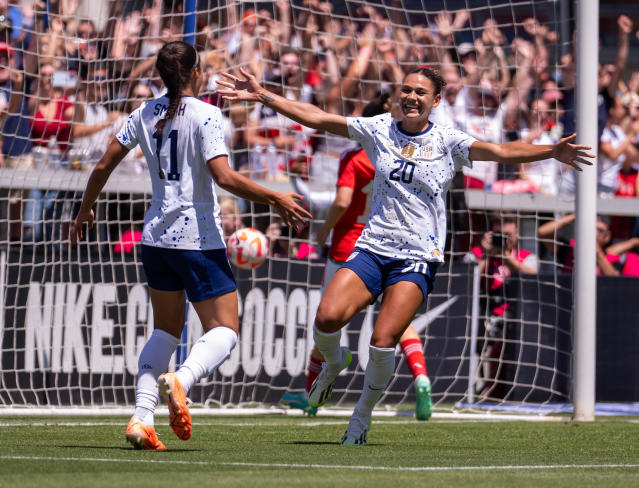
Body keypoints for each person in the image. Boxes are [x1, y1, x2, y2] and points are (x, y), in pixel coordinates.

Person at [218, 66, 593, 445]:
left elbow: (499, 150)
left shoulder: (449, 141)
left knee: (382, 341)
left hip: (417, 255)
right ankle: (334, 362)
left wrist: (552, 151)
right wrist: (263, 95)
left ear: (435, 100)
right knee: (327, 318)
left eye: (420, 92)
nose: (411, 96)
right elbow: (318, 117)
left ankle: (361, 415)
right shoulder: (379, 128)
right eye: (406, 90)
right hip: (372, 247)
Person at [70, 41, 311, 451]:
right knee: (226, 329)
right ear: (196, 73)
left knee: (165, 330)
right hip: (198, 239)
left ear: (160, 76)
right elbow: (225, 177)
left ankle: (141, 419)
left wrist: (83, 211)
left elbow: (101, 165)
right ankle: (180, 381)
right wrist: (276, 197)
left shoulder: (143, 113)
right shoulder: (206, 114)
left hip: (156, 240)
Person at [282, 95, 435, 421]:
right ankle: (421, 376)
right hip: (393, 246)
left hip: (351, 248)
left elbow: (342, 200)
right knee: (398, 323)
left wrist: (323, 232)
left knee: (327, 323)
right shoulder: (402, 156)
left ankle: (312, 399)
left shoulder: (356, 156)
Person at [463, 216, 539, 398]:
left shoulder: (526, 257)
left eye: (508, 235)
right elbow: (464, 276)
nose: (504, 239)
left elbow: (533, 275)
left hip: (515, 317)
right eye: (500, 235)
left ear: (518, 234)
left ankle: (501, 392)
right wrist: (486, 253)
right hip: (481, 314)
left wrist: (505, 257)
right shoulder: (478, 254)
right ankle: (475, 392)